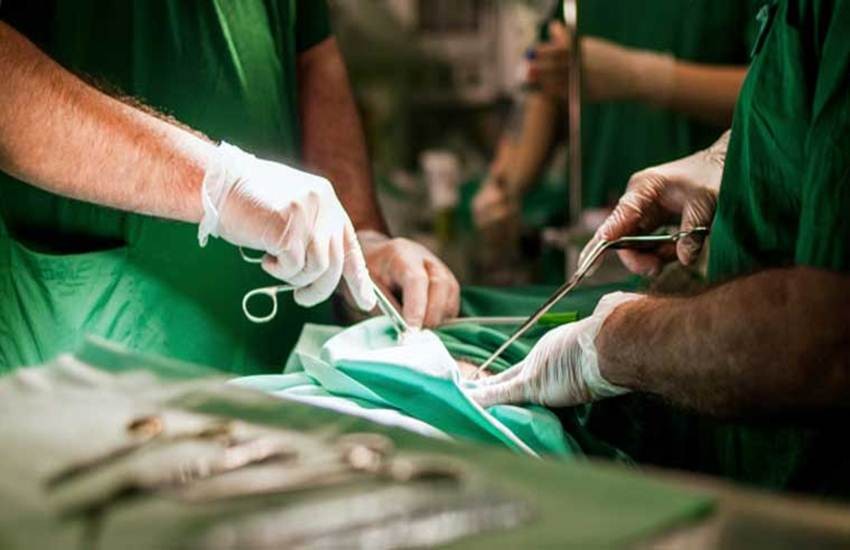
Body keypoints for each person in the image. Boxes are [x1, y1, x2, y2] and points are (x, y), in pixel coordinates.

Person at [472, 0, 850, 497]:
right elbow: (797, 92)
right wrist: (728, 156)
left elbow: (824, 338)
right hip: (749, 447)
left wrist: (611, 345)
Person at [0, 1, 459, 375]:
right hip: (104, 339)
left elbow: (312, 56)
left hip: (282, 357)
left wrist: (358, 239)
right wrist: (219, 183)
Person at [473, 1, 760, 252]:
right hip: (599, 236)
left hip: (704, 237)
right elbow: (547, 78)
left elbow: (777, 94)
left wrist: (643, 75)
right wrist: (504, 186)